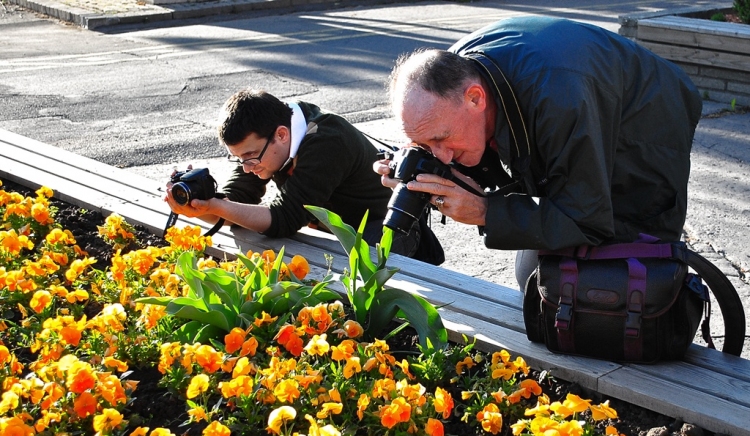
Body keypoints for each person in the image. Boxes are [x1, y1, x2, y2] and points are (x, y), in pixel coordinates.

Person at [376, 16, 703, 289]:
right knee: (535, 276)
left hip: (650, 117)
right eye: (424, 144)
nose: (441, 155)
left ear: (475, 98)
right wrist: (423, 170)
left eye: (441, 139)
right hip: (574, 91)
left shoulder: (560, 104)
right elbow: (481, 143)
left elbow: (587, 218)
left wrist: (485, 211)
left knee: (633, 271)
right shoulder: (453, 77)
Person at [165, 89, 423, 257]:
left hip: (385, 237)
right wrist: (196, 201)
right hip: (334, 232)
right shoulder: (266, 134)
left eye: (250, 157)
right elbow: (237, 200)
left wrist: (216, 207)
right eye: (238, 158)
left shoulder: (327, 141)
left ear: (281, 134)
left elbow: (284, 218)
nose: (246, 167)